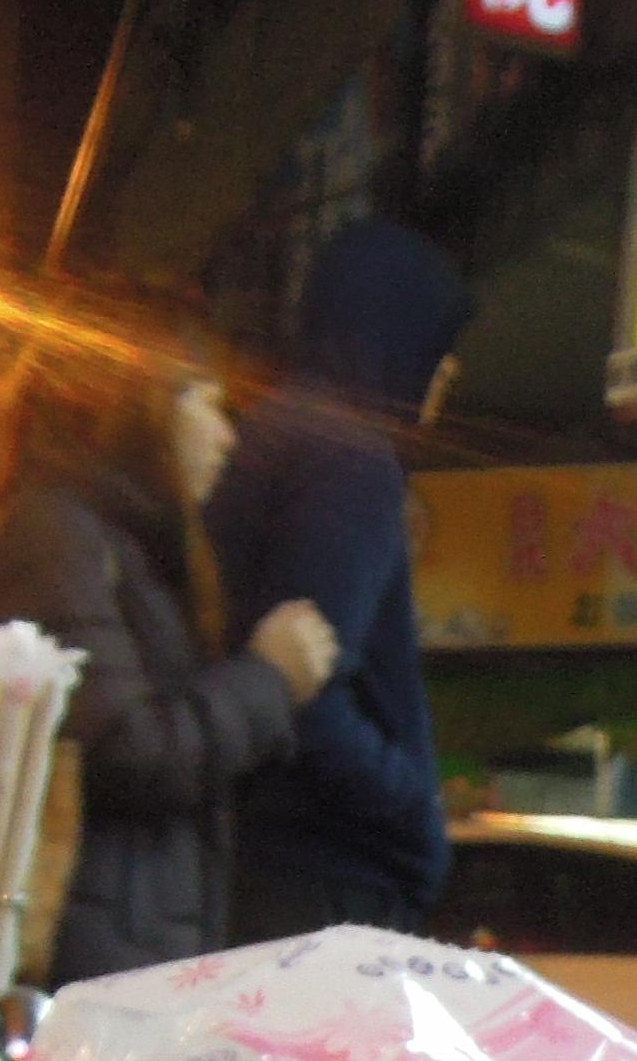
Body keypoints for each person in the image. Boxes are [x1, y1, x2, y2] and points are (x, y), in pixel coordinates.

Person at [0, 330, 343, 977]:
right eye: (206, 403)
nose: (228, 436)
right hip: (84, 967)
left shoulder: (125, 548)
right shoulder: (57, 537)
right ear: (133, 406)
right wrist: (269, 679)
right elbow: (122, 749)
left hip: (124, 954)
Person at [201, 216, 472, 939]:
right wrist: (409, 809)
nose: (448, 373)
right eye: (439, 347)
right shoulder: (350, 459)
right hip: (328, 883)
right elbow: (307, 686)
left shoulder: (270, 436)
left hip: (260, 866)